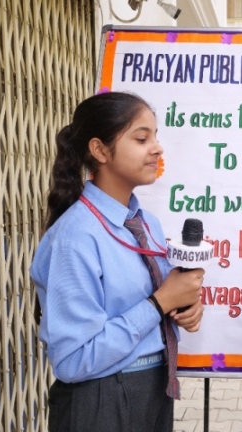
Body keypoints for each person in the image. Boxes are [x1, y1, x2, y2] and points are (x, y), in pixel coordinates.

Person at [30, 91, 204, 432]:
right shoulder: (76, 237)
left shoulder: (146, 224)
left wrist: (184, 307)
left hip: (153, 389)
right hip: (101, 398)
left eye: (155, 137)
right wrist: (159, 303)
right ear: (100, 150)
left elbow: (161, 299)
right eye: (141, 138)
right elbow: (73, 360)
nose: (157, 148)